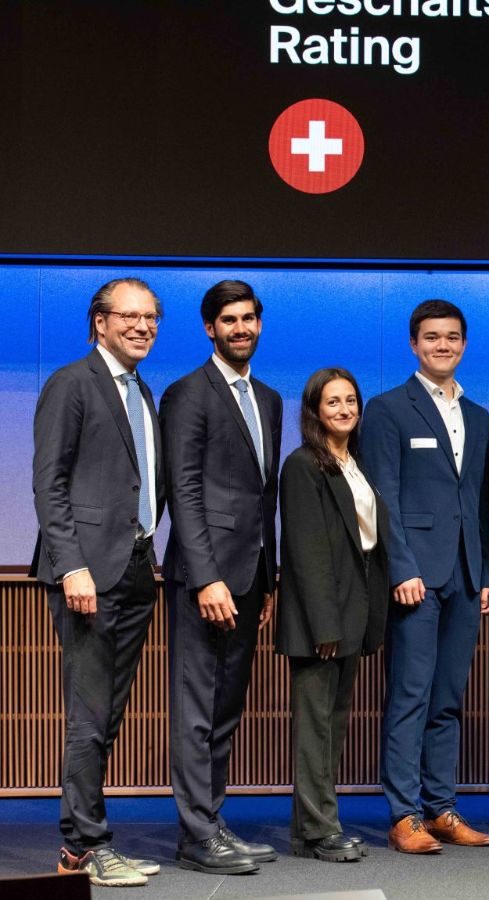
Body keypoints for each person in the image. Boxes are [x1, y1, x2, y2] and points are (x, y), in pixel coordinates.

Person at [33, 278, 167, 888]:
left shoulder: (141, 391)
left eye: (151, 317)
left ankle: (85, 840)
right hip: (86, 573)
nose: (142, 326)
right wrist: (72, 566)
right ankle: (83, 849)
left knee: (107, 714)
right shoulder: (72, 383)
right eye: (129, 316)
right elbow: (49, 483)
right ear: (100, 322)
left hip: (136, 568)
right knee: (89, 717)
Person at [361, 300, 489, 854]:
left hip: (466, 575)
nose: (443, 345)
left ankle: (441, 808)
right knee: (410, 697)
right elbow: (382, 497)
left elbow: (483, 503)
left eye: (452, 337)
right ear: (414, 344)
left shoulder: (479, 417)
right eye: (432, 337)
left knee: (447, 699)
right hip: (415, 577)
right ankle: (404, 815)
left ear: (464, 344)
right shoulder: (387, 409)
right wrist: (401, 568)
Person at [162, 280, 283, 875]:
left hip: (251, 575)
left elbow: (263, 497)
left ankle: (211, 821)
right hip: (204, 578)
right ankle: (196, 836)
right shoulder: (188, 393)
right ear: (210, 328)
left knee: (226, 706)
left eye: (249, 318)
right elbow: (183, 489)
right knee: (196, 709)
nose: (241, 328)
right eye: (229, 320)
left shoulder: (269, 398)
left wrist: (269, 578)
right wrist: (206, 577)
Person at [276, 368, 391, 863]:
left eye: (350, 400)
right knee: (315, 728)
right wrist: (325, 625)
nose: (344, 409)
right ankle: (319, 829)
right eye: (333, 402)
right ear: (314, 411)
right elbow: (307, 552)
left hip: (354, 608)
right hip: (321, 619)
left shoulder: (356, 463)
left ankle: (314, 828)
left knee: (333, 724)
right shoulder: (303, 466)